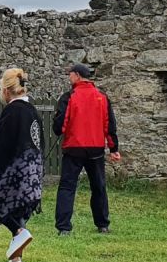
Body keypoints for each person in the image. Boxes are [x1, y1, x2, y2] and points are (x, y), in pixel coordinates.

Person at [0, 67, 43, 262]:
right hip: (32, 170)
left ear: (6, 90)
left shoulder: (12, 111)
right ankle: (16, 260)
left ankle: (18, 231)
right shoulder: (32, 110)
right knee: (20, 211)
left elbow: (2, 144)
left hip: (15, 169)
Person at [51, 62, 120, 235]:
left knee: (67, 187)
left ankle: (64, 227)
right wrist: (113, 148)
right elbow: (109, 125)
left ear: (76, 75)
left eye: (70, 74)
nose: (69, 77)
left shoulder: (69, 96)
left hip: (74, 148)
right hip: (96, 148)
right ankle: (102, 224)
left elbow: (59, 126)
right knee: (98, 186)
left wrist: (58, 127)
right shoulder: (102, 96)